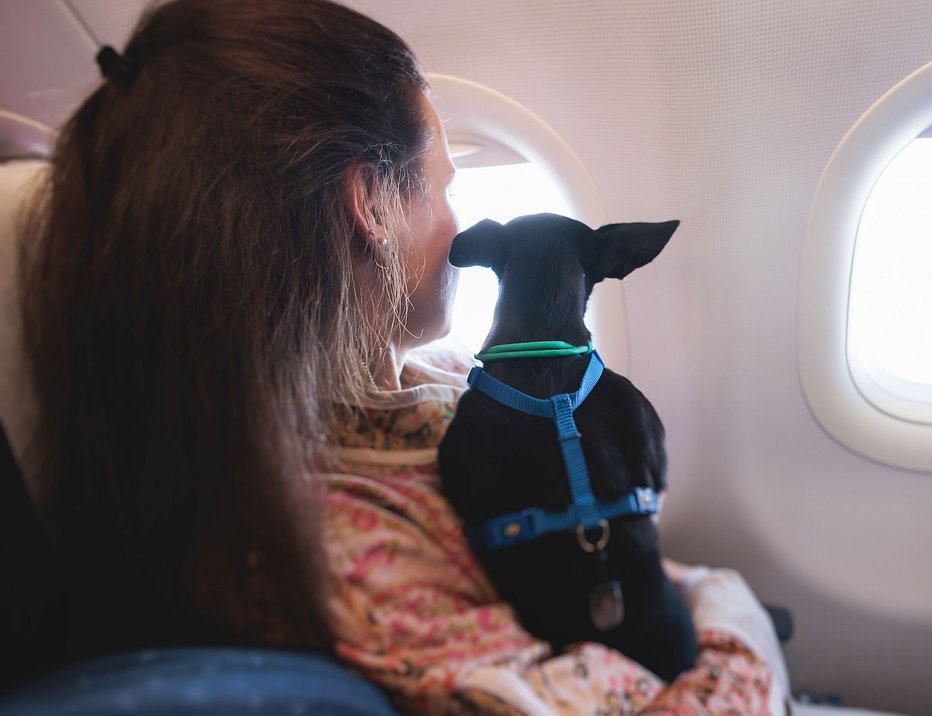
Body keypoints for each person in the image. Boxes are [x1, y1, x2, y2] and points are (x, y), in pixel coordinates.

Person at [18, 0, 790, 712]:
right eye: (445, 182)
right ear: (373, 206)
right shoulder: (342, 550)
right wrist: (731, 607)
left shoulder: (447, 379)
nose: (459, 220)